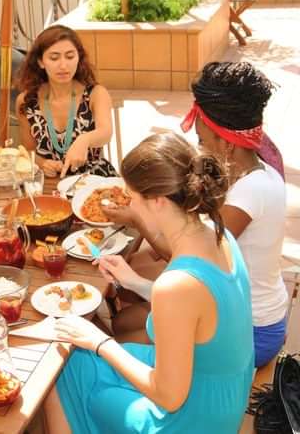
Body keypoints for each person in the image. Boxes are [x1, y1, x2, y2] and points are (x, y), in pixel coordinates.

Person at [44, 132, 254, 433]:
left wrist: (99, 341)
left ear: (157, 201)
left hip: (195, 418)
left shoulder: (177, 285)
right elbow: (200, 310)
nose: (128, 206)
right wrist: (137, 283)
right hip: (222, 394)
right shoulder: (218, 233)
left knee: (63, 368)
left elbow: (168, 396)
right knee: (82, 358)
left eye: (131, 198)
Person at [108, 62, 288, 368]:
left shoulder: (250, 193)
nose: (198, 147)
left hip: (252, 330)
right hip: (235, 303)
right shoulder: (255, 167)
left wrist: (138, 218)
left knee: (121, 335)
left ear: (227, 144)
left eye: (203, 140)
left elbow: (190, 255)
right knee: (125, 313)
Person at [15, 24, 116, 178]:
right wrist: (41, 163)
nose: (63, 65)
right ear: (41, 62)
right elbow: (28, 151)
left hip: (94, 180)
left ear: (78, 58)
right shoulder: (26, 100)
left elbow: (106, 132)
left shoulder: (95, 94)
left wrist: (85, 139)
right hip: (50, 182)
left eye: (70, 56)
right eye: (54, 58)